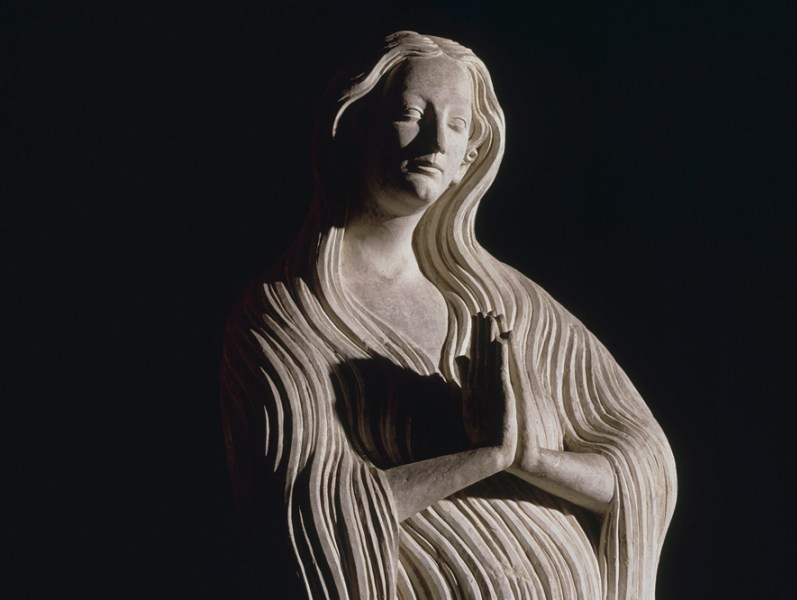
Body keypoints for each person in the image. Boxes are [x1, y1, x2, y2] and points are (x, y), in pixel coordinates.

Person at [221, 31, 676, 599]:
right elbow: (306, 510)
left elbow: (643, 467)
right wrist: (481, 457)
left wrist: (532, 459)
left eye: (458, 125)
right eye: (412, 114)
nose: (436, 141)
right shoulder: (288, 314)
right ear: (353, 126)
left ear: (468, 161)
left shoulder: (508, 305)